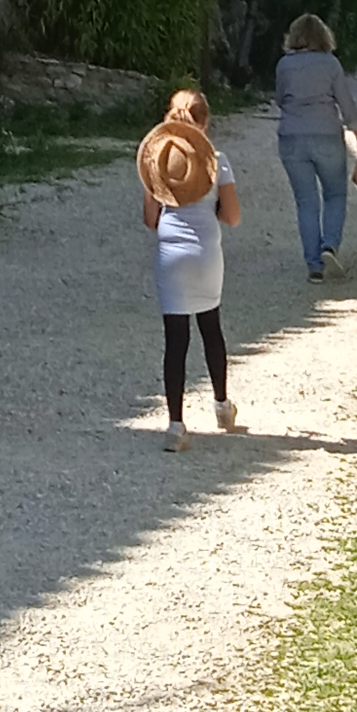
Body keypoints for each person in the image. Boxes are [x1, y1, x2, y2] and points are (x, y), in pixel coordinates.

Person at [138, 88, 242, 445]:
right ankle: (222, 404)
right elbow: (233, 216)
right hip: (206, 252)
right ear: (206, 122)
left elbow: (151, 219)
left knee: (176, 339)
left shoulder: (157, 160)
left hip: (171, 253)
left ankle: (175, 425)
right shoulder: (217, 161)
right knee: (211, 327)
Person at [272, 12, 357, 282]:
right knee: (335, 194)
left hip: (292, 137)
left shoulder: (284, 65)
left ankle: (314, 266)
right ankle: (330, 246)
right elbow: (347, 106)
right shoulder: (331, 64)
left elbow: (279, 99)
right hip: (327, 135)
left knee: (306, 202)